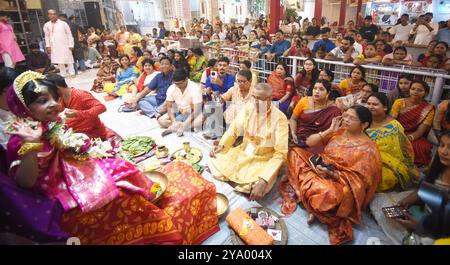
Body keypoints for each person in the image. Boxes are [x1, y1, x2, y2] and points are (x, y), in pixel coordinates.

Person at [4, 71, 184, 245]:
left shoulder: (59, 111)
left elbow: (99, 108)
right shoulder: (23, 137)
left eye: (54, 98)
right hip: (54, 187)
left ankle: (149, 198)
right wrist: (33, 145)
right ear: (23, 107)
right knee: (120, 177)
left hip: (76, 158)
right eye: (43, 101)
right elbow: (25, 183)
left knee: (122, 165)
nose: (53, 104)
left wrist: (74, 125)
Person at [281, 105, 381, 245]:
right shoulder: (338, 132)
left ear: (364, 124)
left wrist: (331, 174)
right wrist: (329, 130)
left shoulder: (369, 149)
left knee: (329, 194)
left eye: (351, 118)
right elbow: (310, 142)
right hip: (318, 168)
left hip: (336, 183)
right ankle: (310, 198)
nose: (345, 120)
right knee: (294, 153)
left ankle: (305, 195)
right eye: (345, 116)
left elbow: (360, 184)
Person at [209, 83, 288, 201]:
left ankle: (264, 179)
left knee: (257, 186)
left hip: (263, 158)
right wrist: (222, 145)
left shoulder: (280, 118)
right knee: (215, 158)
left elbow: (280, 153)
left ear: (270, 99)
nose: (255, 102)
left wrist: (264, 180)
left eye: (260, 99)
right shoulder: (249, 108)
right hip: (244, 151)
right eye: (254, 97)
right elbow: (234, 129)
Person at [371, 130, 450, 244]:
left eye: (449, 147)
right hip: (428, 211)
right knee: (383, 209)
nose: (443, 151)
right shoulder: (438, 164)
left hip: (442, 226)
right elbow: (425, 189)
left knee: (428, 240)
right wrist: (406, 202)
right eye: (442, 145)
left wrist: (416, 225)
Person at [366, 93, 418, 192]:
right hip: (365, 159)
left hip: (391, 163)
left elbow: (405, 148)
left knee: (381, 178)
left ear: (385, 108)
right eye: (368, 103)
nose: (370, 107)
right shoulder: (363, 122)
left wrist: (408, 165)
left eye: (375, 104)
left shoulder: (394, 126)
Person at [46, 74, 115, 140]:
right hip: (72, 131)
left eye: (50, 91)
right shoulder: (61, 98)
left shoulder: (80, 95)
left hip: (90, 133)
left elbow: (101, 107)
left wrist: (78, 114)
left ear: (57, 89)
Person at [390, 80, 435, 168]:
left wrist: (408, 138)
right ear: (409, 90)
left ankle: (413, 168)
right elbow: (392, 121)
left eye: (420, 90)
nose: (415, 92)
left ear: (426, 93)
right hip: (396, 131)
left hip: (414, 135)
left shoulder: (428, 108)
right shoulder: (399, 102)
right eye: (413, 89)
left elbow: (420, 131)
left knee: (424, 147)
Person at [290, 80, 341, 151]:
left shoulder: (334, 109)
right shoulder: (304, 101)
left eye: (321, 89)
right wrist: (293, 132)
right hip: (301, 138)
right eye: (315, 88)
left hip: (321, 140)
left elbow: (335, 131)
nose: (317, 91)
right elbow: (293, 119)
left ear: (328, 93)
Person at [158, 69, 203, 137]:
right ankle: (180, 126)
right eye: (176, 83)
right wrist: (173, 121)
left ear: (186, 79)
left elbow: (197, 110)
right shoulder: (172, 88)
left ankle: (179, 127)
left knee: (200, 121)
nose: (178, 85)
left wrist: (184, 126)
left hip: (193, 114)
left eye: (180, 83)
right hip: (179, 112)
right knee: (161, 121)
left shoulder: (195, 88)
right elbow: (169, 106)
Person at [43, 10, 75, 77]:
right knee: (59, 60)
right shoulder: (46, 25)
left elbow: (69, 34)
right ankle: (63, 74)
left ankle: (72, 73)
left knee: (69, 59)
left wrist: (71, 44)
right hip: (54, 46)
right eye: (51, 14)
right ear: (48, 15)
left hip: (65, 44)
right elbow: (47, 36)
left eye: (54, 14)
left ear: (57, 15)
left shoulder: (63, 24)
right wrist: (48, 46)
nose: (53, 15)